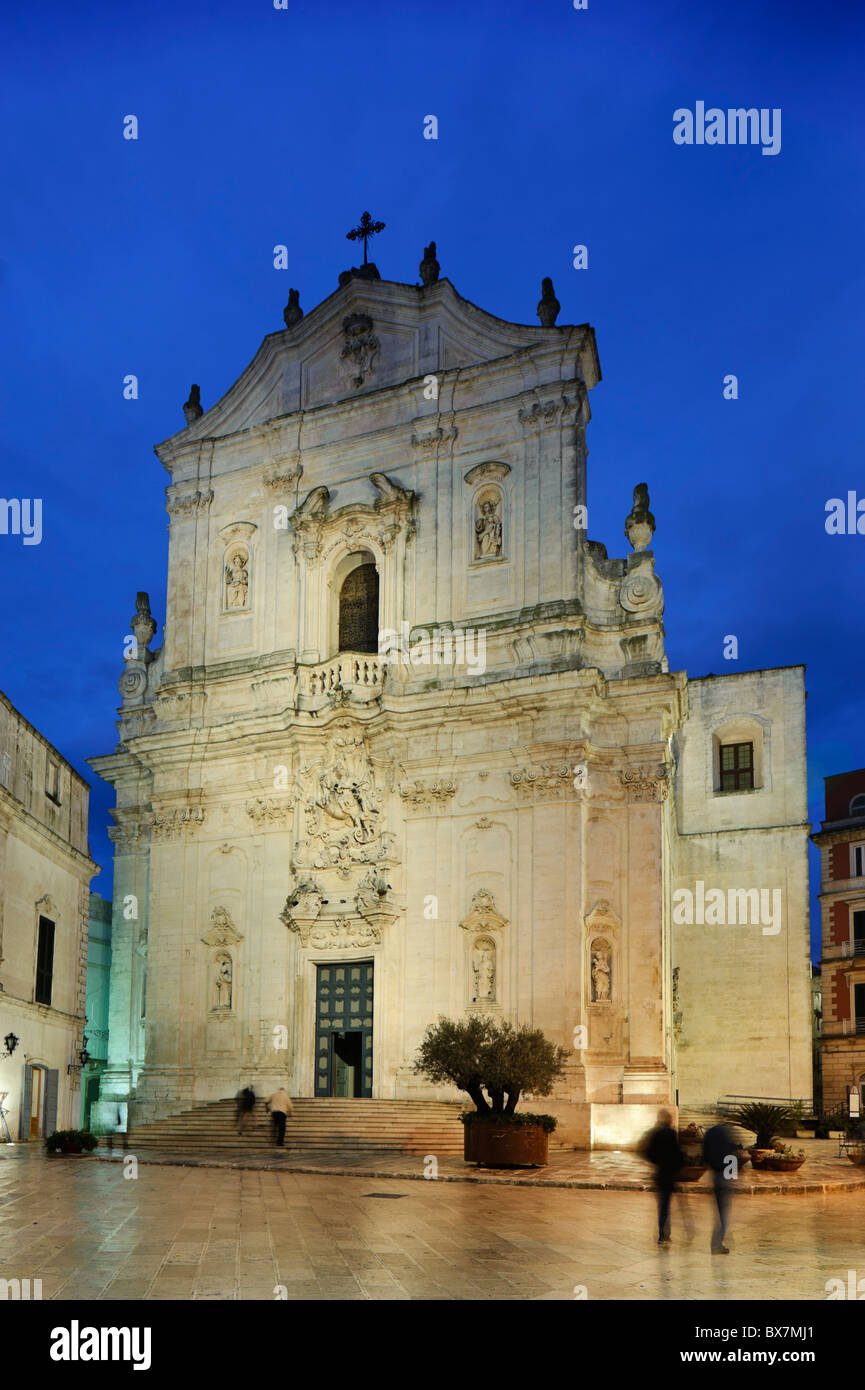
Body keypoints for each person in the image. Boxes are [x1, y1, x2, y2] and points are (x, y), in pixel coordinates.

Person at [641, 1109, 684, 1244]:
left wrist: (657, 1162)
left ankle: (662, 1233)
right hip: (669, 1174)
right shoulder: (671, 1134)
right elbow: (677, 1154)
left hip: (659, 1173)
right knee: (666, 1205)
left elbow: (648, 1152)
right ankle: (665, 1234)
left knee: (663, 1205)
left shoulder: (655, 1133)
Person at [702, 1122, 737, 1254]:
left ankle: (716, 1242)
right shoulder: (727, 1134)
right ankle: (717, 1244)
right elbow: (732, 1155)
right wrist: (733, 1176)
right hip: (725, 1175)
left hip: (716, 1175)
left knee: (719, 1211)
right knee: (723, 1213)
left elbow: (705, 1155)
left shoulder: (710, 1132)